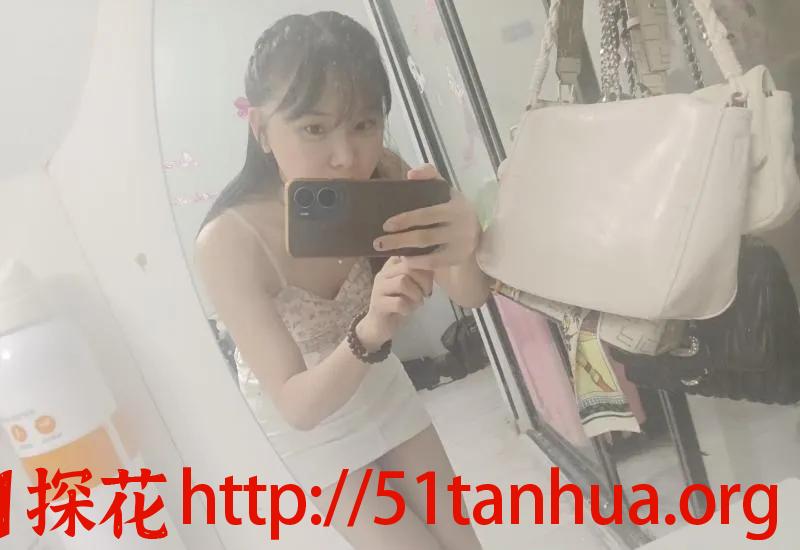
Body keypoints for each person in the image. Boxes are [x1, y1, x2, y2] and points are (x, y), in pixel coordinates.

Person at [194, 12, 488, 550]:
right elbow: (296, 406)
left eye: (364, 124)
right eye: (314, 128)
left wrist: (462, 238)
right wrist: (372, 329)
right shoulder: (229, 242)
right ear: (260, 129)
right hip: (310, 417)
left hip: (378, 384)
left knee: (462, 542)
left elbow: (471, 294)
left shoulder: (384, 176)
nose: (346, 157)